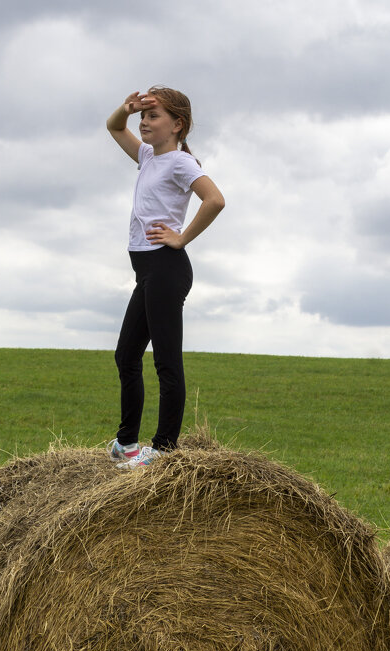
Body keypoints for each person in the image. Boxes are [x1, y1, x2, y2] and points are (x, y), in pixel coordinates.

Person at [106, 86, 225, 469]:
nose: (143, 122)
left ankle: (163, 449)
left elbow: (215, 199)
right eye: (143, 116)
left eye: (153, 116)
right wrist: (125, 109)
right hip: (147, 272)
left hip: (166, 268)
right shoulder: (146, 156)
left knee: (166, 362)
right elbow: (113, 127)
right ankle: (126, 444)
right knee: (126, 355)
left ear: (178, 125)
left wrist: (182, 236)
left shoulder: (179, 163)